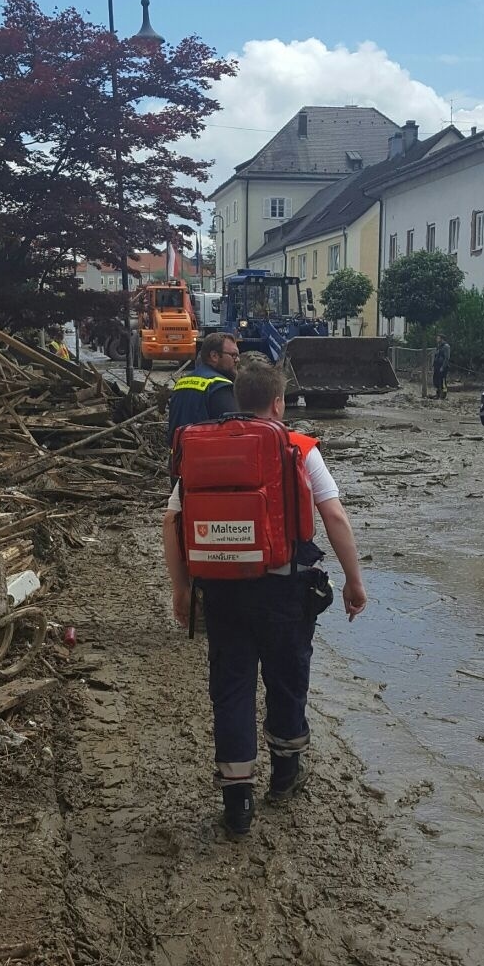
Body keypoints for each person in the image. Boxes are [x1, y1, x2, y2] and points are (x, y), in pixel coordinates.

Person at [163, 361, 367, 838]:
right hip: (285, 591)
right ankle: (285, 775)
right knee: (287, 679)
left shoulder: (203, 446)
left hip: (224, 592)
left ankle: (237, 804)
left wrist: (181, 588)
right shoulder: (297, 447)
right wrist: (355, 582)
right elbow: (334, 517)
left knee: (231, 689)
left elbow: (172, 522)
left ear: (237, 398)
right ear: (278, 403)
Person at [166, 332, 239, 450]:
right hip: (206, 461)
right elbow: (234, 433)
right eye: (233, 355)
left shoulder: (182, 382)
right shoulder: (219, 385)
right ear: (214, 356)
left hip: (179, 460)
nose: (237, 360)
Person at [432, 333, 450, 399]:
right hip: (437, 366)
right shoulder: (439, 346)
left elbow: (447, 358)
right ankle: (438, 394)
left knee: (442, 381)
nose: (437, 339)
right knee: (436, 380)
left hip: (442, 366)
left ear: (442, 339)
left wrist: (443, 367)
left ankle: (443, 395)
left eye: (438, 338)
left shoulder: (446, 346)